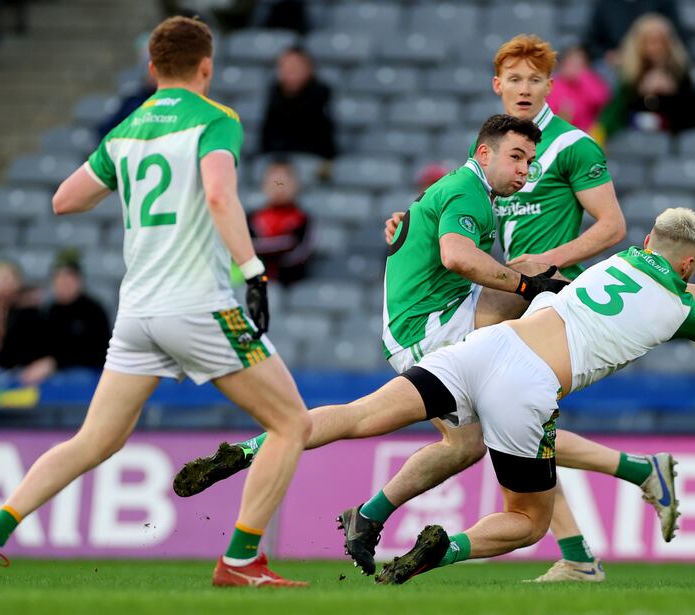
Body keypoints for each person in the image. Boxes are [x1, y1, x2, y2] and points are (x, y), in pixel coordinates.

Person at [173, 35, 647, 584]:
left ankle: (348, 503)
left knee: (458, 440)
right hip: (437, 326)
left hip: (427, 320)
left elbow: (460, 235)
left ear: (548, 86)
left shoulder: (479, 180)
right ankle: (597, 523)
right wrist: (529, 277)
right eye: (518, 158)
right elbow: (458, 254)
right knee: (523, 375)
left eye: (533, 81)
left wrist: (415, 222)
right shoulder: (475, 187)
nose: (525, 169)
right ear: (494, 109)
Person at [213, 208, 695, 586]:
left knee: (361, 416)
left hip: (482, 349)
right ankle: (450, 547)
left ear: (650, 245)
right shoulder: (677, 309)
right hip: (528, 389)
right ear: (690, 264)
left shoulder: (618, 265)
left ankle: (279, 431)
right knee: (526, 517)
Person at [0, 16, 312, 589]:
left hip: (138, 316)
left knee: (94, 440)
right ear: (206, 67)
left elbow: (63, 200)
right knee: (292, 422)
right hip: (200, 306)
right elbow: (219, 194)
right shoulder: (216, 120)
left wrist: (129, 179)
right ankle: (242, 559)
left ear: (151, 69)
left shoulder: (126, 132)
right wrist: (253, 271)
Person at [18, 251, 112, 385]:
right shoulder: (49, 311)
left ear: (79, 280)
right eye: (59, 278)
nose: (63, 282)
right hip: (52, 377)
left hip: (86, 376)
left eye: (69, 277)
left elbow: (96, 352)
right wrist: (27, 312)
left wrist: (54, 362)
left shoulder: (94, 310)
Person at [598, 13, 695, 138]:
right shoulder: (628, 74)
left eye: (661, 41)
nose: (656, 47)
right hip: (633, 138)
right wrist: (641, 91)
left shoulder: (679, 70)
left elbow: (690, 113)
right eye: (651, 41)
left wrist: (670, 92)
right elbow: (617, 113)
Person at [260, 46, 336, 165]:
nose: (290, 71)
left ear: (309, 69)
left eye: (295, 67)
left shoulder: (322, 94)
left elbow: (322, 140)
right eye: (285, 66)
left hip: (312, 158)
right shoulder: (273, 94)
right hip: (277, 160)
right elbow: (266, 138)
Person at [247, 159, 312, 285]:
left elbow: (298, 255)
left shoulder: (304, 219)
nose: (279, 187)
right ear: (264, 185)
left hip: (291, 285)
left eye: (284, 182)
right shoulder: (251, 218)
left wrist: (259, 251)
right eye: (274, 182)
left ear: (296, 185)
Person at [0, 260, 45, 370]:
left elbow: (36, 350)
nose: (4, 283)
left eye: (8, 278)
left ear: (18, 282)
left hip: (24, 374)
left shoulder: (30, 311)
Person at [582, 0, 686, 67]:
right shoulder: (604, 5)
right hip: (616, 65)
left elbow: (676, 36)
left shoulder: (662, 3)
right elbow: (591, 42)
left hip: (655, 63)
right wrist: (607, 55)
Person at [546, 45, 611, 132]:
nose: (573, 67)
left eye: (579, 64)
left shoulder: (588, 81)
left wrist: (583, 75)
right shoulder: (555, 83)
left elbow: (600, 98)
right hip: (559, 131)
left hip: (585, 132)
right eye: (571, 62)